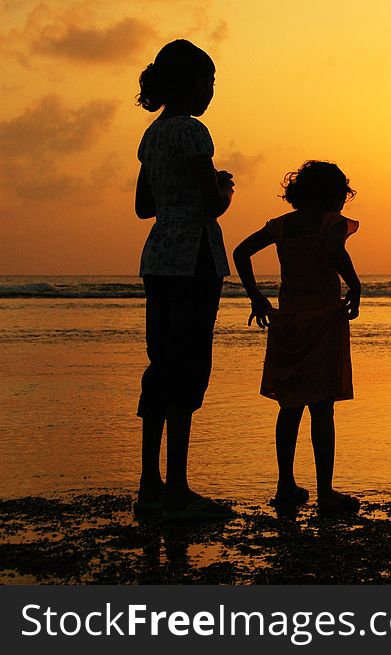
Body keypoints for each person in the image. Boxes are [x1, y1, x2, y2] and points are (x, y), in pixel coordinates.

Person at [134, 39, 236, 520]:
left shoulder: (151, 136)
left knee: (160, 365)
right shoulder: (193, 133)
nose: (211, 91)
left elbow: (143, 206)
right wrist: (222, 188)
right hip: (193, 256)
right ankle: (177, 488)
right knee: (189, 367)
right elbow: (212, 205)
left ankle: (150, 485)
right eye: (209, 81)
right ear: (190, 83)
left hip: (159, 256)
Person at [233, 161, 361, 515]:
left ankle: (285, 484)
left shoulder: (282, 225)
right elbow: (336, 252)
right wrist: (355, 284)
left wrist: (256, 296)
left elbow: (241, 253)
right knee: (322, 407)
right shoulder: (331, 224)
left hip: (287, 323)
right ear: (333, 194)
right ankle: (325, 491)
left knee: (289, 405)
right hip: (323, 322)